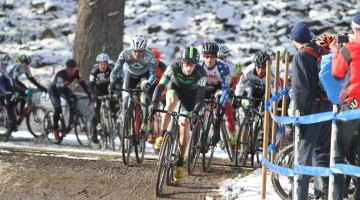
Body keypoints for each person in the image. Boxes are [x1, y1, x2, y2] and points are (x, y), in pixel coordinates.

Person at [149, 46, 206, 182]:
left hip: (191, 96)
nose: (189, 67)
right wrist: (154, 102)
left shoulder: (201, 73)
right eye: (186, 63)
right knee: (170, 104)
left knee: (184, 126)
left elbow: (200, 98)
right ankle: (162, 135)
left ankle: (180, 163)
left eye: (192, 64)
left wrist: (196, 112)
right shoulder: (173, 66)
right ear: (182, 62)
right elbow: (161, 85)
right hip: (175, 88)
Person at [289, 22, 332, 199]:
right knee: (323, 153)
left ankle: (300, 196)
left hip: (311, 111)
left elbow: (300, 90)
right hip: (327, 107)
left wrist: (297, 115)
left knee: (304, 156)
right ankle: (323, 193)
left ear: (294, 40)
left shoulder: (300, 56)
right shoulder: (322, 51)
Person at [330, 12, 360, 200]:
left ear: (355, 29)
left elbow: (336, 74)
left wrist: (336, 52)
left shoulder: (350, 48)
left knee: (339, 155)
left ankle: (337, 196)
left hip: (351, 107)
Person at [234, 50, 278, 165]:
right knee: (247, 120)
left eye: (263, 67)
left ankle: (265, 139)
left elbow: (275, 90)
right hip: (253, 91)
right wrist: (237, 98)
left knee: (267, 117)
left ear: (268, 66)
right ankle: (243, 151)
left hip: (267, 93)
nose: (259, 70)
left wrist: (271, 102)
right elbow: (240, 85)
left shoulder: (273, 72)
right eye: (258, 67)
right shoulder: (249, 70)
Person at [109, 34, 156, 133]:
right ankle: (125, 126)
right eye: (135, 51)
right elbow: (116, 70)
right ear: (131, 49)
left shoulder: (150, 56)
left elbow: (153, 74)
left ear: (145, 49)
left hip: (144, 77)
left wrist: (148, 83)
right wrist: (112, 82)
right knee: (125, 103)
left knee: (144, 98)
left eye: (140, 51)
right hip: (130, 76)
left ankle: (144, 124)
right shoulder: (125, 54)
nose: (137, 54)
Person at [48, 59, 92, 140]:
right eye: (70, 70)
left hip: (63, 88)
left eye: (74, 69)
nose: (72, 72)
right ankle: (55, 129)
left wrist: (89, 94)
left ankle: (71, 120)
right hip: (54, 89)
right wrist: (67, 99)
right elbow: (58, 90)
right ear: (67, 68)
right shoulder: (61, 75)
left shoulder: (77, 73)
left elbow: (83, 84)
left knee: (74, 99)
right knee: (58, 109)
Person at [198, 42, 231, 147]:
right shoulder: (199, 64)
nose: (209, 60)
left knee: (219, 106)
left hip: (218, 88)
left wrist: (220, 105)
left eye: (212, 57)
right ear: (203, 56)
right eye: (206, 56)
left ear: (216, 57)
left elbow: (227, 87)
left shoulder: (224, 67)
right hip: (203, 86)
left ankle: (216, 131)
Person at [89, 53, 117, 145]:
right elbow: (90, 84)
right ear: (98, 64)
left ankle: (114, 121)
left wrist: (117, 91)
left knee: (115, 104)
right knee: (96, 107)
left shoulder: (111, 70)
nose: (103, 66)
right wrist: (92, 94)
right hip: (98, 91)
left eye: (105, 64)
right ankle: (96, 129)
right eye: (101, 64)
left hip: (108, 90)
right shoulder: (94, 71)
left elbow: (117, 81)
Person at [217, 45, 240, 150]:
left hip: (226, 90)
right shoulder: (211, 63)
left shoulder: (230, 65)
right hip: (214, 89)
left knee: (228, 115)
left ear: (226, 57)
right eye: (218, 57)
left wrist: (230, 92)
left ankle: (233, 139)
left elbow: (235, 83)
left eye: (222, 58)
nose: (219, 59)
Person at [146, 48, 167, 143]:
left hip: (161, 86)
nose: (155, 63)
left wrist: (165, 92)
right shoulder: (146, 66)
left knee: (167, 106)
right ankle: (150, 132)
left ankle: (164, 131)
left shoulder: (162, 67)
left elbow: (167, 81)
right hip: (150, 88)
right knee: (150, 108)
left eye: (157, 61)